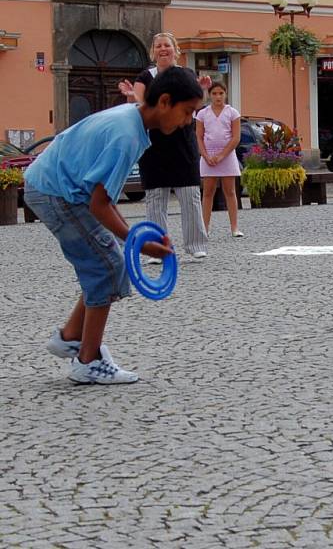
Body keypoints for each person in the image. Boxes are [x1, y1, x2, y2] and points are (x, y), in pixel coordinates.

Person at [24, 67, 203, 384]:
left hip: (54, 186)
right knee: (107, 265)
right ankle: (87, 361)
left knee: (105, 261)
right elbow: (99, 204)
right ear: (164, 101)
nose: (189, 121)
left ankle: (70, 336)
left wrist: (133, 239)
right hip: (55, 193)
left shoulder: (131, 119)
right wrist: (139, 243)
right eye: (187, 112)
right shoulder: (127, 136)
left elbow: (104, 200)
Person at [118, 32, 210, 262]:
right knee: (155, 198)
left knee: (189, 194)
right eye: (158, 46)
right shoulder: (145, 76)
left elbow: (196, 104)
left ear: (175, 49)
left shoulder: (186, 74)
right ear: (153, 51)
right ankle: (158, 246)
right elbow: (139, 104)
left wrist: (204, 90)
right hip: (154, 144)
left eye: (167, 45)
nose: (163, 49)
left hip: (182, 142)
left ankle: (196, 244)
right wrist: (130, 97)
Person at [196, 81, 243, 237]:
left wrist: (223, 155)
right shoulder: (202, 114)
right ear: (209, 95)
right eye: (214, 93)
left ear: (226, 94)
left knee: (230, 191)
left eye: (221, 93)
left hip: (227, 155)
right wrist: (205, 155)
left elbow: (236, 137)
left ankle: (234, 227)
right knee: (208, 192)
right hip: (209, 155)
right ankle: (205, 228)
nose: (218, 97)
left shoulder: (232, 113)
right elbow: (199, 137)